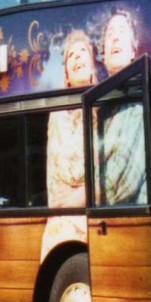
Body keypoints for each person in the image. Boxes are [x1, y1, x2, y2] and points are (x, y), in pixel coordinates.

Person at [40, 30, 96, 259]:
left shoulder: (105, 110)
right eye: (71, 55)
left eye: (83, 52)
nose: (77, 57)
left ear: (93, 67)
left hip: (96, 220)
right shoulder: (58, 115)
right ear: (66, 75)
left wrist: (82, 193)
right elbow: (72, 172)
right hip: (64, 227)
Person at [97, 10, 147, 205]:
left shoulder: (136, 107)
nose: (115, 37)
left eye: (121, 32)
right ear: (104, 56)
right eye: (110, 34)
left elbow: (121, 186)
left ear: (133, 50)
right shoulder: (103, 109)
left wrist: (76, 199)